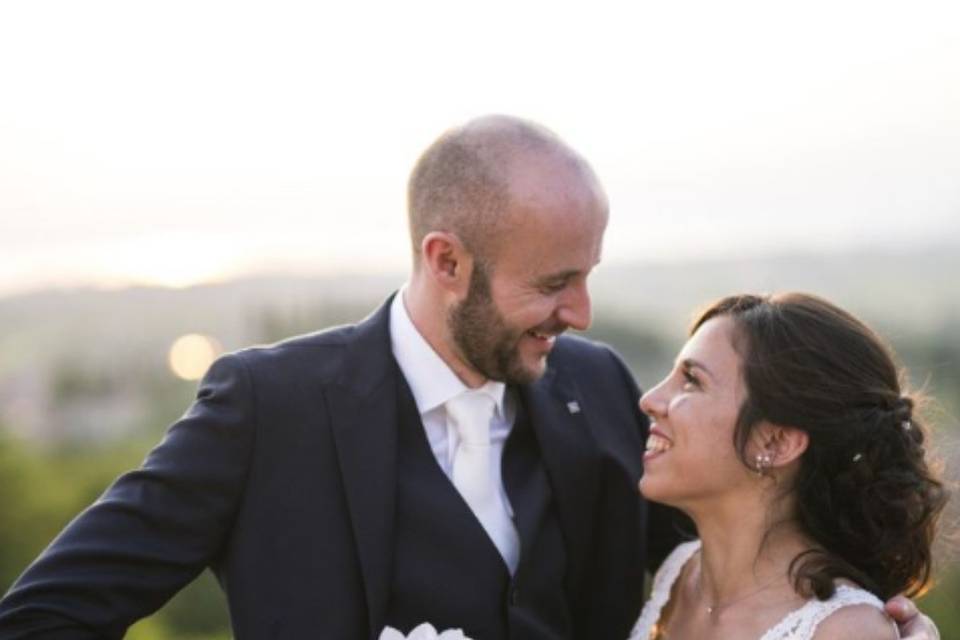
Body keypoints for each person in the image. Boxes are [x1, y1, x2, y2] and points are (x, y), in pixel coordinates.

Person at [0, 118, 939, 640]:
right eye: (553, 283)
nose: (580, 314)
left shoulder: (602, 389)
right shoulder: (266, 407)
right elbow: (44, 618)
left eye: (591, 274)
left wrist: (863, 610)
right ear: (446, 262)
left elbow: (739, 552)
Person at [628, 293, 948, 640]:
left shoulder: (844, 630)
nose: (650, 400)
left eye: (692, 380)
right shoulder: (676, 576)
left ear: (776, 443)